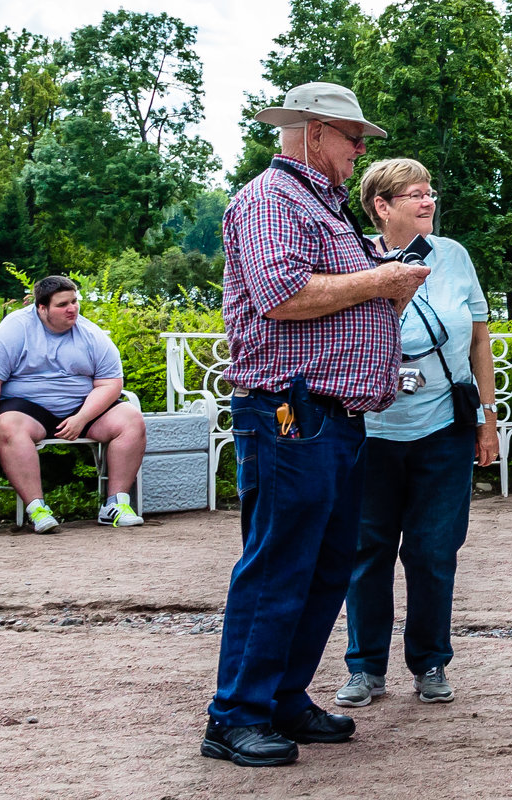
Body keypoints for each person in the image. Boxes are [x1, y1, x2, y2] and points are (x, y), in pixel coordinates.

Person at [200, 82, 430, 768]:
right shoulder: (271, 199)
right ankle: (235, 716)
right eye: (354, 137)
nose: (362, 150)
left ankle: (282, 698)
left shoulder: (314, 203)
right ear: (312, 132)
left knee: (326, 566)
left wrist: (377, 279)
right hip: (289, 412)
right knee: (279, 565)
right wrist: (383, 282)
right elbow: (283, 295)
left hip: (328, 416)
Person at [334, 158, 499, 710]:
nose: (429, 202)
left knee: (433, 552)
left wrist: (487, 420)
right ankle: (364, 669)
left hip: (444, 427)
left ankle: (430, 662)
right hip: (370, 429)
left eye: (431, 193)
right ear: (382, 207)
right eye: (415, 195)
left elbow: (479, 341)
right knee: (366, 550)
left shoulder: (453, 256)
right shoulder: (351, 256)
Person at [0, 276, 146, 533]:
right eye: (62, 304)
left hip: (82, 407)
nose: (72, 308)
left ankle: (115, 504)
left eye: (75, 301)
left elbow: (111, 383)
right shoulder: (13, 330)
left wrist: (83, 417)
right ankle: (38, 509)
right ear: (41, 308)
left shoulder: (90, 333)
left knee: (131, 418)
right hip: (28, 408)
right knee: (7, 425)